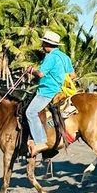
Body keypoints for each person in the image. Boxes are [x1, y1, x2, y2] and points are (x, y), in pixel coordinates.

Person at [25, 30, 74, 158]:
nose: (42, 46)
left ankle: (40, 142)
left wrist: (31, 71)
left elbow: (41, 74)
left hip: (47, 91)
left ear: (47, 44)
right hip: (61, 90)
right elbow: (72, 75)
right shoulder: (65, 57)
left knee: (30, 112)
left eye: (43, 43)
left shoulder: (50, 57)